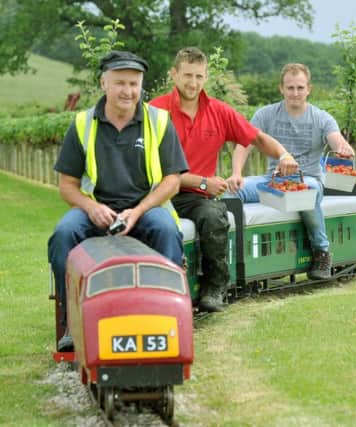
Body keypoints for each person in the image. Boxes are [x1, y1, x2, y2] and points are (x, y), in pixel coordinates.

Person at [48, 51, 189, 352]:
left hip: (146, 209)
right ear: (103, 83)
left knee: (166, 231)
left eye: (134, 84)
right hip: (95, 210)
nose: (128, 91)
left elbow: (172, 180)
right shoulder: (83, 123)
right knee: (62, 235)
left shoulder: (159, 121)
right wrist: (91, 207)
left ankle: (168, 322)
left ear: (141, 86)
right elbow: (67, 186)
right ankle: (72, 324)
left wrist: (138, 211)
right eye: (120, 83)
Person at [150, 47, 298, 312]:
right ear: (173, 74)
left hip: (197, 199)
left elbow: (258, 138)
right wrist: (203, 181)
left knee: (214, 216)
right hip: (158, 194)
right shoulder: (155, 111)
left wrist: (284, 154)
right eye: (186, 76)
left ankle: (215, 287)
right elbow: (151, 168)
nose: (192, 83)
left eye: (198, 76)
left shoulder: (219, 111)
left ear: (206, 77)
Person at [227, 63, 355, 280]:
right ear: (281, 89)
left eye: (300, 88)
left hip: (309, 180)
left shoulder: (322, 118)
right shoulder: (265, 115)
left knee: (306, 190)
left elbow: (337, 142)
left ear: (309, 89)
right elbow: (244, 144)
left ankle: (322, 251)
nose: (295, 93)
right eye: (290, 88)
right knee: (228, 191)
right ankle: (234, 256)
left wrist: (343, 149)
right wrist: (236, 173)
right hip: (272, 181)